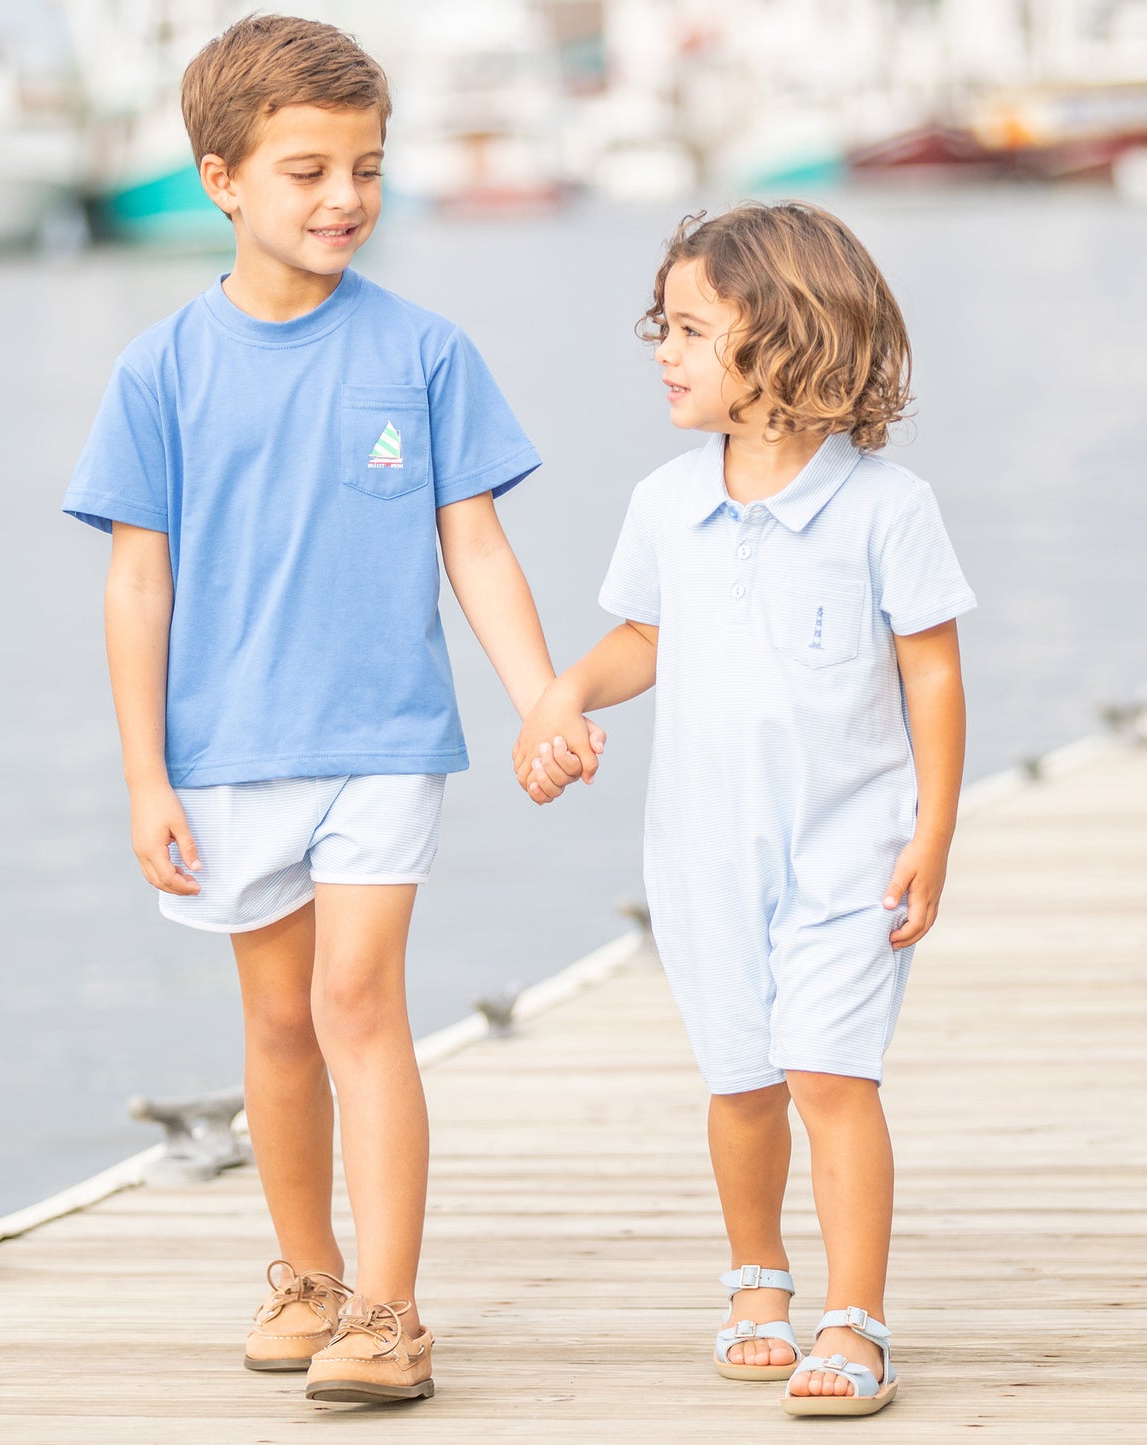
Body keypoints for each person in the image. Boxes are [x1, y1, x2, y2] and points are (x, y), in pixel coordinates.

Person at [62, 14, 596, 1406]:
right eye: (306, 171)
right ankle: (304, 1271)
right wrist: (143, 778)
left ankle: (391, 1306)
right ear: (220, 179)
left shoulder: (422, 351)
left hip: (381, 737)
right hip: (227, 747)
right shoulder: (160, 370)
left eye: (364, 166)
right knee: (279, 1024)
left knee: (359, 998)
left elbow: (472, 543)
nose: (343, 197)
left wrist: (540, 692)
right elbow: (136, 586)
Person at [515, 201, 973, 1418]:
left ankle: (855, 1314)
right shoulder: (668, 500)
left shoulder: (885, 505)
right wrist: (562, 691)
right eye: (656, 327)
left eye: (686, 329)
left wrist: (932, 830)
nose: (661, 352)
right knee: (739, 1080)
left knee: (830, 1072)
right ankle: (757, 1277)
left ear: (781, 340)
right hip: (702, 854)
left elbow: (931, 670)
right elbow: (642, 637)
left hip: (850, 852)